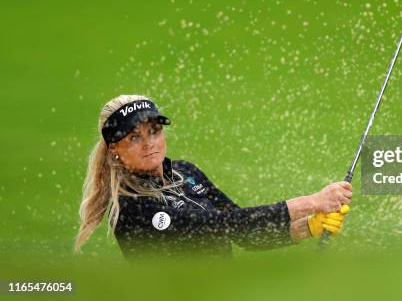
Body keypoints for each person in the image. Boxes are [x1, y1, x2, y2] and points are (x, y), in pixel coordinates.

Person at [75, 94, 352, 257]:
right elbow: (225, 224)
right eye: (134, 137)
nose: (149, 143)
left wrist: (310, 226)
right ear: (115, 150)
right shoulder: (132, 208)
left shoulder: (185, 172)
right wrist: (313, 202)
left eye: (154, 131)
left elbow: (247, 235)